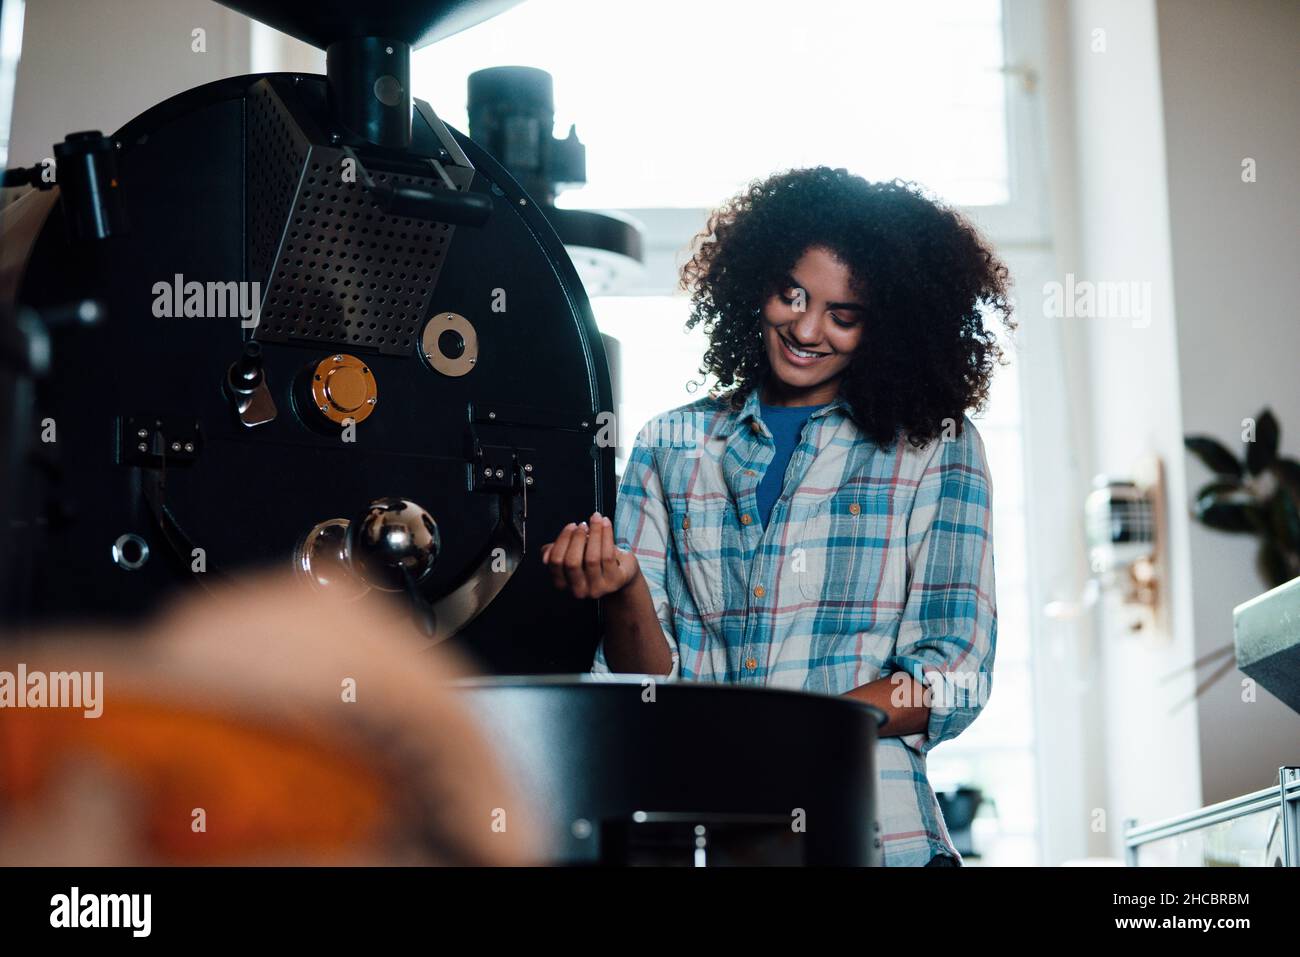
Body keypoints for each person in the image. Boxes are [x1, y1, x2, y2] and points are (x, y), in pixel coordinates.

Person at [542, 167, 1011, 867]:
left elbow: (955, 671)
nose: (806, 327)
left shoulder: (936, 446)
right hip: (710, 838)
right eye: (792, 293)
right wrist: (624, 590)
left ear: (886, 327)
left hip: (880, 840)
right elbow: (640, 685)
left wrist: (800, 733)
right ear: (756, 279)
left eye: (843, 315)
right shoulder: (671, 445)